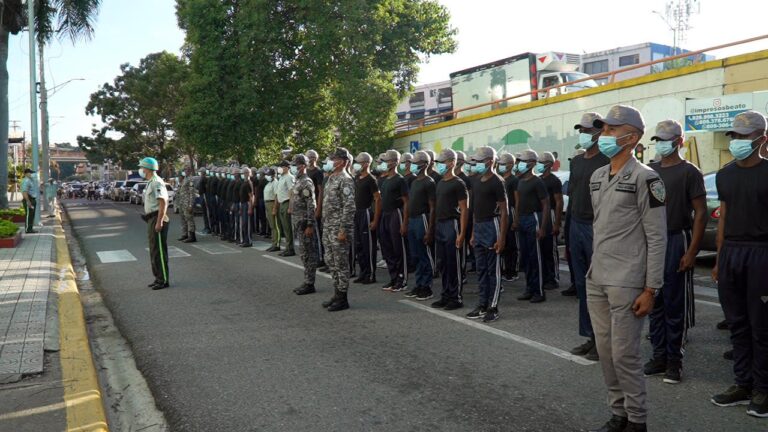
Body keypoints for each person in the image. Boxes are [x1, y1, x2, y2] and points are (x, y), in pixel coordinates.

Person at [587, 105, 666, 432]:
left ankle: (637, 420)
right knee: (606, 354)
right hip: (598, 278)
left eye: (610, 130)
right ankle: (618, 413)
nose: (603, 135)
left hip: (628, 281)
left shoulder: (647, 178)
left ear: (631, 137)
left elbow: (657, 236)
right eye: (603, 129)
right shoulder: (597, 176)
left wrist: (651, 289)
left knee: (625, 356)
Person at [711, 110, 768, 418]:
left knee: (762, 326)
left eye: (744, 136)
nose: (738, 141)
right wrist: (720, 259)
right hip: (732, 252)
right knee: (737, 323)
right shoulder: (725, 174)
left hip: (762, 253)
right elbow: (724, 218)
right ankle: (742, 383)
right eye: (734, 136)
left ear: (762, 138)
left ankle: (763, 389)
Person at [643, 119, 706, 385]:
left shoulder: (689, 172)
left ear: (679, 141)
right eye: (657, 139)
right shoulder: (649, 170)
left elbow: (701, 213)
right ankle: (658, 356)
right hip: (651, 241)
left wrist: (692, 252)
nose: (661, 144)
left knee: (674, 303)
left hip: (676, 238)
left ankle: (674, 361)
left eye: (666, 139)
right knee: (653, 299)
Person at [567, 112, 609, 361]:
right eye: (580, 131)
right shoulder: (577, 161)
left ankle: (603, 340)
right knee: (583, 286)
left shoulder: (607, 160)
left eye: (587, 130)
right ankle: (590, 335)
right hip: (577, 225)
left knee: (600, 286)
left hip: (597, 227)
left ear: (599, 131)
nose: (583, 135)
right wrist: (568, 230)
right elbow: (572, 195)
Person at [466, 146, 507, 322]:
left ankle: (493, 306)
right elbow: (474, 209)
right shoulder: (476, 181)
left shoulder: (497, 181)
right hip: (480, 227)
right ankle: (482, 303)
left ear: (490, 161)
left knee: (493, 270)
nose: (477, 165)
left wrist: (502, 237)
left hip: (493, 225)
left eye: (480, 161)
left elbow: (504, 211)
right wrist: (474, 232)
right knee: (481, 268)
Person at [430, 149, 469, 310]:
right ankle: (445, 295)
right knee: (443, 263)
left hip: (452, 225)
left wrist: (461, 234)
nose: (439, 165)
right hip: (440, 224)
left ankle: (456, 297)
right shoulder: (440, 182)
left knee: (454, 263)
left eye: (442, 162)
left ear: (451, 163)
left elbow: (465, 209)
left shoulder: (458, 183)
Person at [319, 148, 357, 311]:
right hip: (328, 226)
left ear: (342, 161)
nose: (331, 161)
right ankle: (336, 293)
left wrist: (343, 229)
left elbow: (349, 207)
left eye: (334, 159)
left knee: (341, 262)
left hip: (339, 228)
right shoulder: (331, 178)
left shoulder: (346, 179)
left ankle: (343, 298)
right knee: (331, 261)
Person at [514, 149, 550, 304]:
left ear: (531, 163)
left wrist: (542, 228)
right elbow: (517, 203)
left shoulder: (537, 182)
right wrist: (516, 221)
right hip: (522, 219)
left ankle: (539, 291)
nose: (519, 164)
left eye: (522, 161)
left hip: (533, 219)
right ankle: (529, 288)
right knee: (526, 257)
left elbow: (546, 204)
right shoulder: (520, 181)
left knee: (535, 257)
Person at [404, 151, 436, 300]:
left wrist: (430, 230)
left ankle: (427, 286)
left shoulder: (429, 182)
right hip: (413, 219)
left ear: (425, 164)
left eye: (417, 164)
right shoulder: (415, 181)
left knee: (425, 254)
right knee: (415, 254)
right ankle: (419, 283)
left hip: (423, 219)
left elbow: (432, 206)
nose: (414, 166)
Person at [377, 150, 410, 292]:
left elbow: (406, 202)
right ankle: (393, 277)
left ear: (395, 162)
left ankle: (402, 279)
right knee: (387, 247)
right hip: (385, 215)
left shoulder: (400, 180)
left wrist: (404, 222)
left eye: (388, 160)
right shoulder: (384, 181)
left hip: (396, 214)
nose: (385, 163)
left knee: (398, 249)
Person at [138, 157, 171, 291]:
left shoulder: (156, 182)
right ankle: (158, 278)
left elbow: (163, 202)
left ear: (147, 168)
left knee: (159, 252)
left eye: (142, 167)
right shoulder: (150, 182)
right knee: (154, 250)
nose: (141, 169)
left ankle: (163, 280)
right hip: (151, 219)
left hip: (157, 218)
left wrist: (159, 221)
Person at [288, 155, 318, 295]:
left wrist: (310, 225)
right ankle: (307, 281)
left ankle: (310, 283)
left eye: (296, 165)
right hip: (298, 223)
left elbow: (311, 204)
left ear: (303, 166)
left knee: (308, 254)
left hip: (305, 223)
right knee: (303, 254)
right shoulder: (297, 181)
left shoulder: (307, 182)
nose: (294, 167)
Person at [352, 152, 381, 284]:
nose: (357, 165)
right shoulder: (357, 177)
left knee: (368, 245)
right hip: (356, 213)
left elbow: (377, 199)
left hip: (366, 213)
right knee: (358, 245)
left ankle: (371, 274)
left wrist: (375, 220)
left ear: (366, 163)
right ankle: (363, 273)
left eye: (359, 162)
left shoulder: (371, 179)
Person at [536, 152, 563, 290]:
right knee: (541, 248)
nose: (538, 164)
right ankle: (544, 276)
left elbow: (559, 202)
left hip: (550, 214)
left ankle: (553, 278)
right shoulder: (538, 179)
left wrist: (557, 223)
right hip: (540, 215)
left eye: (542, 161)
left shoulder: (554, 181)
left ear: (549, 164)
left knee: (550, 249)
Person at [498, 152, 519, 281]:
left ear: (511, 165)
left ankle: (513, 270)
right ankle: (505, 268)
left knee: (512, 243)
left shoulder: (514, 180)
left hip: (510, 211)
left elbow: (517, 200)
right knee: (503, 242)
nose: (500, 166)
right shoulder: (499, 179)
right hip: (501, 212)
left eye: (503, 164)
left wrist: (516, 219)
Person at [306, 150, 326, 268]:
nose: (310, 159)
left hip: (315, 204)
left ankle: (321, 257)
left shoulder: (318, 172)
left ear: (316, 158)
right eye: (308, 157)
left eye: (312, 157)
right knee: (311, 233)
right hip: (307, 205)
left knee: (318, 232)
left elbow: (320, 190)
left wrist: (318, 208)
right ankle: (314, 255)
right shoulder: (307, 171)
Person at [276, 160, 296, 256]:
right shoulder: (281, 177)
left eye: (282, 166)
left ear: (287, 167)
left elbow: (291, 192)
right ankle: (287, 248)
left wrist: (290, 207)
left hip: (287, 203)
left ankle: (290, 249)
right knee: (284, 227)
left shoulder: (289, 177)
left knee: (288, 227)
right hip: (281, 203)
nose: (280, 168)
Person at [177, 166, 197, 243]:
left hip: (187, 203)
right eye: (185, 170)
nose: (186, 171)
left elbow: (192, 193)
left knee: (189, 219)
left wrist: (191, 205)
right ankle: (185, 234)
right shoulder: (184, 179)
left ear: (190, 171)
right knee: (183, 219)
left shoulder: (191, 179)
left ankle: (192, 236)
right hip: (182, 203)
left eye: (188, 170)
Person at [263, 168, 281, 252]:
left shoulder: (276, 183)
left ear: (273, 175)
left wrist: (274, 208)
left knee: (275, 225)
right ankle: (273, 243)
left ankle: (276, 244)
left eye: (269, 175)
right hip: (267, 204)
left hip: (272, 203)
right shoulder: (269, 183)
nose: (267, 176)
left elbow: (276, 196)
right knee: (271, 225)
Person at [238, 167, 254, 247]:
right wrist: (241, 208)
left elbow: (251, 196)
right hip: (243, 204)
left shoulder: (248, 183)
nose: (245, 174)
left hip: (247, 204)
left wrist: (250, 208)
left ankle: (248, 241)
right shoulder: (243, 183)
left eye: (246, 172)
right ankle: (244, 240)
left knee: (247, 224)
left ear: (249, 173)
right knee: (243, 224)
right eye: (243, 173)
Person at [20, 168, 38, 233]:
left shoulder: (30, 180)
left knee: (31, 215)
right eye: (30, 172)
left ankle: (30, 228)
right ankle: (28, 229)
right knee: (28, 215)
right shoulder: (26, 181)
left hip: (32, 199)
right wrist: (28, 201)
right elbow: (24, 192)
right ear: (26, 173)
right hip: (29, 199)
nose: (32, 174)